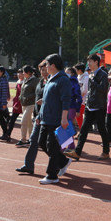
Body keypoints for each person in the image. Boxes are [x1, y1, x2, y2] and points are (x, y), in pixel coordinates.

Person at [66, 54, 110, 161]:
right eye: (88, 62)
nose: (88, 64)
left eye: (90, 61)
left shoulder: (103, 74)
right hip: (89, 106)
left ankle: (105, 151)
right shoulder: (90, 74)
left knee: (101, 129)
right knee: (84, 129)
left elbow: (103, 89)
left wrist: (93, 82)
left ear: (96, 62)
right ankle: (77, 152)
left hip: (99, 107)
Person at [36, 54, 72, 184]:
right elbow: (47, 98)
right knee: (41, 143)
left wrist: (64, 118)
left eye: (47, 64)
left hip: (56, 119)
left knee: (52, 147)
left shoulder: (63, 80)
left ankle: (52, 175)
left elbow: (66, 100)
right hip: (46, 117)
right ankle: (63, 161)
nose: (45, 67)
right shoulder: (51, 78)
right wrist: (39, 115)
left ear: (53, 65)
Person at [16, 61, 47, 174]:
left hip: (49, 116)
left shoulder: (50, 82)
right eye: (41, 69)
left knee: (47, 143)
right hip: (38, 113)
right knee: (34, 140)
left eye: (45, 69)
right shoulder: (40, 82)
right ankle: (28, 165)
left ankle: (62, 161)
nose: (43, 71)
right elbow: (36, 95)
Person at [17, 65, 38, 146]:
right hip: (24, 104)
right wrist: (20, 97)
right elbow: (23, 90)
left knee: (23, 121)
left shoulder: (35, 80)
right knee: (29, 123)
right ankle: (31, 139)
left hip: (31, 104)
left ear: (29, 73)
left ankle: (23, 139)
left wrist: (27, 97)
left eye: (24, 72)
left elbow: (37, 92)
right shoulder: (26, 80)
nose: (22, 73)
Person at [5, 68, 23, 139]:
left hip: (22, 104)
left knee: (27, 122)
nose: (19, 74)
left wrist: (17, 104)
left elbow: (22, 95)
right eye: (18, 73)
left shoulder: (25, 82)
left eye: (20, 73)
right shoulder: (18, 82)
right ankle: (8, 134)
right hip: (17, 103)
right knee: (12, 119)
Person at [75, 63, 89, 130]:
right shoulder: (78, 76)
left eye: (76, 69)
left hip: (82, 100)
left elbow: (84, 90)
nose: (75, 71)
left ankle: (82, 131)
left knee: (79, 116)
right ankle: (81, 131)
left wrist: (79, 98)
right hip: (76, 99)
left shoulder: (86, 77)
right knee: (77, 116)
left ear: (80, 70)